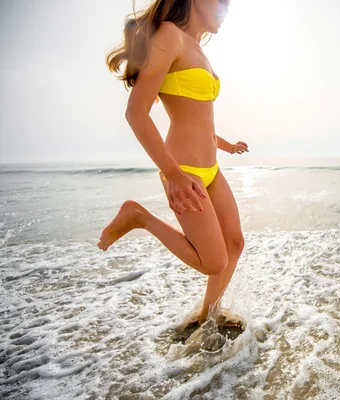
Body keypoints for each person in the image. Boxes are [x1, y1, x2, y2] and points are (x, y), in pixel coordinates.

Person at [97, 0, 247, 328]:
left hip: (211, 169)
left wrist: (226, 145)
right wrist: (173, 174)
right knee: (213, 260)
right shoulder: (170, 36)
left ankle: (208, 315)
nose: (226, 8)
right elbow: (136, 113)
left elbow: (197, 117)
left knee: (235, 243)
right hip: (183, 171)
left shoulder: (197, 49)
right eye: (222, 1)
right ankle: (139, 216)